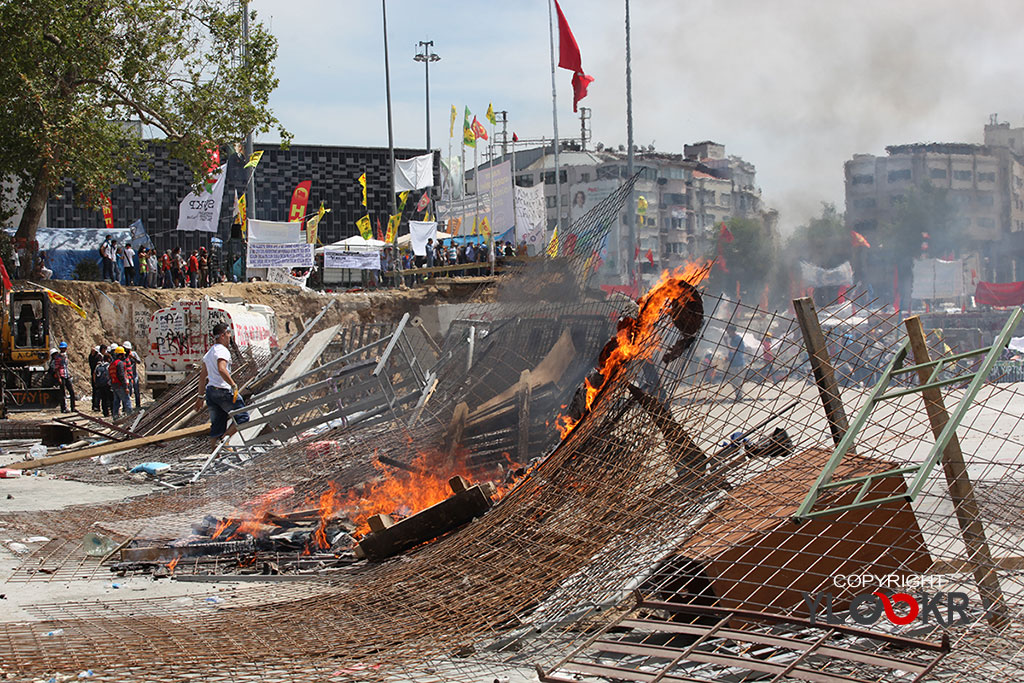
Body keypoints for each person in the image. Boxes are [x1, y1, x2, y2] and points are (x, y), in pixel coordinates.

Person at [197, 322, 250, 439]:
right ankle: (224, 442)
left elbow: (202, 377)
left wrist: (200, 397)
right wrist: (233, 385)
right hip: (223, 390)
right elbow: (222, 369)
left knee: (217, 427)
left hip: (211, 392)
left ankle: (215, 454)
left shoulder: (209, 353)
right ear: (222, 335)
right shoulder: (222, 351)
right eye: (228, 334)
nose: (229, 337)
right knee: (243, 417)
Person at [108, 346, 133, 418]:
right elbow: (122, 376)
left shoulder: (112, 364)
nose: (124, 356)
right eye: (123, 354)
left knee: (116, 401)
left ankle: (115, 416)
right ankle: (130, 416)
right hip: (120, 385)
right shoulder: (120, 363)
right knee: (127, 400)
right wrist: (126, 387)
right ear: (120, 355)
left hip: (114, 385)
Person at [49, 346, 74, 413]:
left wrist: (68, 374)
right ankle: (63, 408)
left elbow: (66, 367)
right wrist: (59, 378)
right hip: (61, 376)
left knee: (72, 392)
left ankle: (73, 407)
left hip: (66, 376)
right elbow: (56, 369)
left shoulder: (65, 356)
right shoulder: (58, 358)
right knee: (62, 393)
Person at [725, 325, 746, 402]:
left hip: (738, 363)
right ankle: (738, 395)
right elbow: (731, 351)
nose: (727, 333)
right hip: (733, 363)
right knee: (732, 380)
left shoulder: (738, 339)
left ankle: (739, 396)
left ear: (733, 331)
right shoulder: (733, 339)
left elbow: (735, 350)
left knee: (737, 381)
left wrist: (726, 343)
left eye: (728, 331)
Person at [123, 340, 142, 411]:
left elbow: (139, 361)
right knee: (128, 391)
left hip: (134, 375)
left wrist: (133, 358)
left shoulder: (133, 354)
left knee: (136, 390)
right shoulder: (123, 355)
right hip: (127, 376)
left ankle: (138, 405)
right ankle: (127, 407)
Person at [93, 348, 112, 417]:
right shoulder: (108, 366)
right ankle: (111, 412)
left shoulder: (98, 365)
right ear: (108, 359)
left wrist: (95, 382)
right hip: (107, 384)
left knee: (103, 399)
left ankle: (105, 412)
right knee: (109, 398)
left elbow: (94, 374)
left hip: (100, 384)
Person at [88, 345, 103, 411]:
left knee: (95, 391)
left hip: (94, 375)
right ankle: (96, 406)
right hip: (97, 376)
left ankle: (95, 405)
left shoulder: (91, 357)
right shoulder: (98, 358)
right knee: (97, 392)